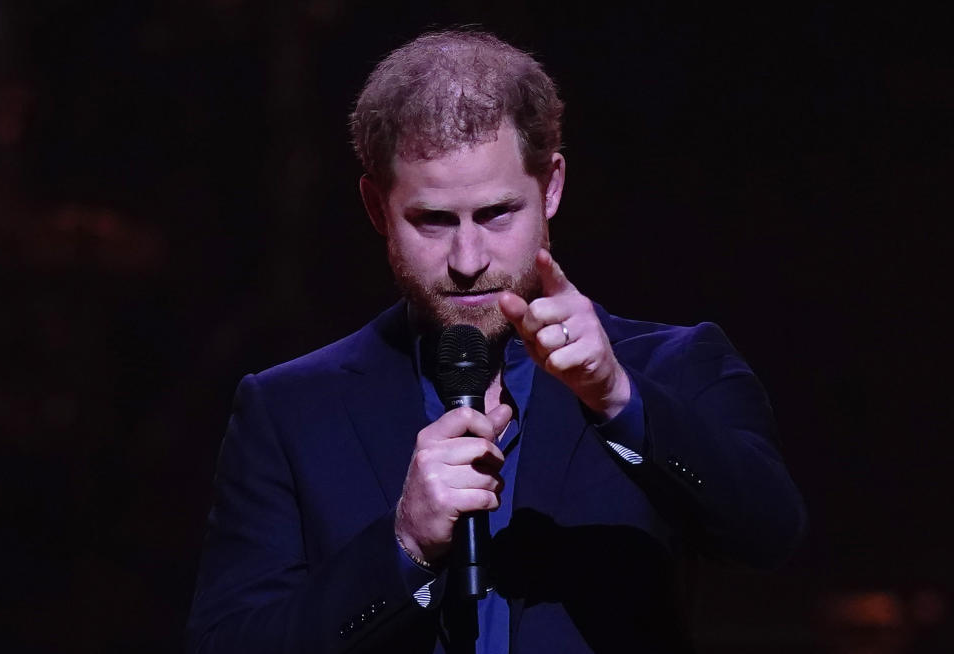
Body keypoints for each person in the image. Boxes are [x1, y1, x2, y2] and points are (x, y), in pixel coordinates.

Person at [186, 30, 807, 654]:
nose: (467, 258)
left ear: (552, 187)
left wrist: (620, 399)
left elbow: (771, 535)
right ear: (377, 208)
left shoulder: (674, 367)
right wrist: (402, 545)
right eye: (433, 220)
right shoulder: (289, 410)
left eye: (496, 213)